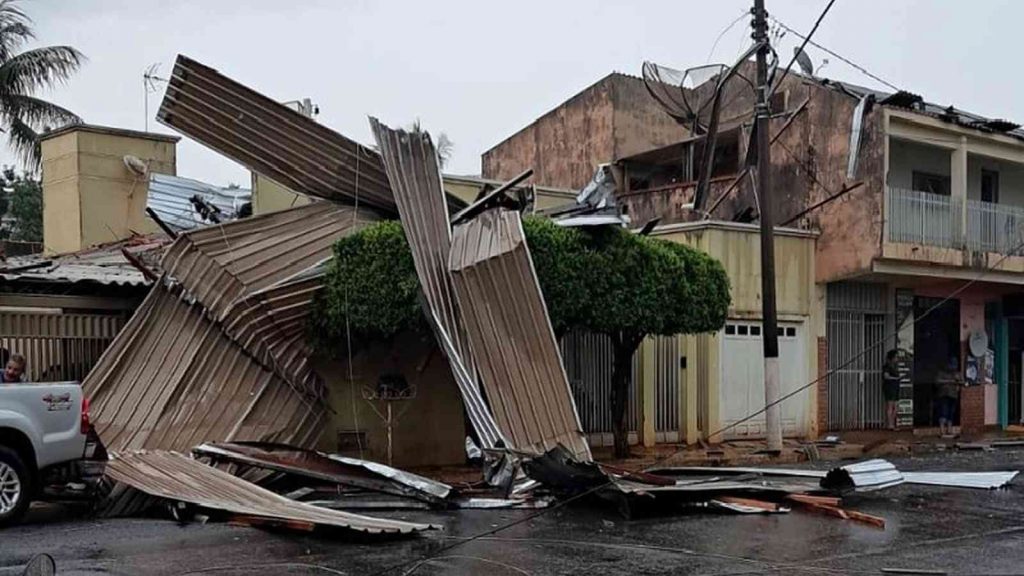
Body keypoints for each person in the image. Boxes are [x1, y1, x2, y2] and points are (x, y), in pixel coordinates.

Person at [936, 357, 962, 438]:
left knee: (951, 413)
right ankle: (942, 430)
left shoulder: (957, 374)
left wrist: (957, 381)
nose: (952, 368)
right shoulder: (942, 373)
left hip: (953, 395)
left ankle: (949, 430)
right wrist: (949, 381)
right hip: (944, 395)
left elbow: (962, 382)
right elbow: (937, 381)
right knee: (944, 412)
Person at [882, 350, 901, 430]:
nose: (897, 359)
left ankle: (892, 423)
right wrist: (895, 378)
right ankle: (889, 424)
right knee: (890, 406)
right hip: (889, 386)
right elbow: (886, 376)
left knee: (895, 406)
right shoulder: (887, 366)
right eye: (896, 357)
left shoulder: (895, 366)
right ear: (892, 358)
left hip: (896, 386)